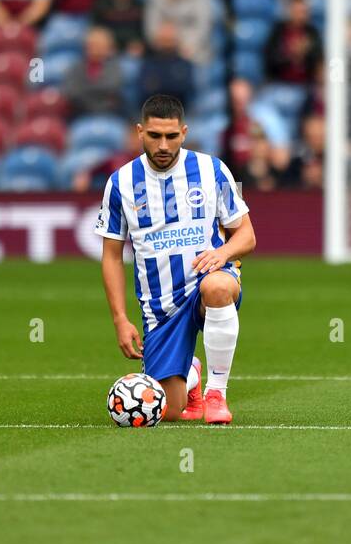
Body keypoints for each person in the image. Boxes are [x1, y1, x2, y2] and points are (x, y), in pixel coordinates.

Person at [96, 94, 256, 426]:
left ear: (183, 132)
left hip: (207, 282)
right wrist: (119, 319)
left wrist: (223, 253)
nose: (164, 144)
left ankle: (217, 394)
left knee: (217, 286)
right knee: (167, 411)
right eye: (155, 136)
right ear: (140, 132)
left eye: (171, 136)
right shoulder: (120, 183)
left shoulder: (213, 169)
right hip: (161, 308)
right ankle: (192, 374)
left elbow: (246, 236)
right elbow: (111, 257)